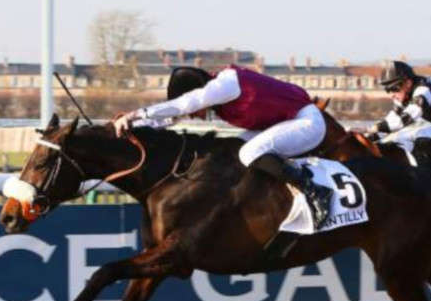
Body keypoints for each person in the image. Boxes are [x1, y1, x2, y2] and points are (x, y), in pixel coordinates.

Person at [113, 65, 333, 229]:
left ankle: (315, 191)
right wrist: (131, 125)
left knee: (249, 152)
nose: (193, 116)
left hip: (307, 123)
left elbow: (185, 104)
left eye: (194, 111)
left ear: (198, 91)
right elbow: (173, 117)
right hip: (285, 123)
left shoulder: (225, 84)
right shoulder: (217, 94)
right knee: (234, 149)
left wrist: (135, 114)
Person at [368, 60, 431, 179]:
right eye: (388, 90)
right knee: (401, 137)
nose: (391, 94)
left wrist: (377, 127)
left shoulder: (424, 90)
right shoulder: (405, 95)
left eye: (394, 88)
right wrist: (370, 136)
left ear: (407, 83)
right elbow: (392, 120)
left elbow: (407, 118)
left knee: (421, 135)